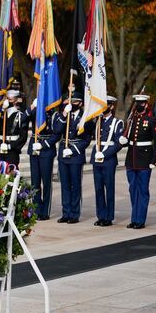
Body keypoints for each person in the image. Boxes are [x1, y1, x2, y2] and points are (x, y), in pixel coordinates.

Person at [119, 94, 156, 229]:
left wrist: (154, 160)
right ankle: (134, 218)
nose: (139, 105)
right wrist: (123, 141)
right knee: (133, 190)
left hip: (144, 160)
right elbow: (130, 138)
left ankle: (140, 220)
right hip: (131, 159)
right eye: (137, 103)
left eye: (141, 103)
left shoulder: (151, 121)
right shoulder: (132, 120)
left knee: (142, 191)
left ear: (146, 104)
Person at [55, 92, 90, 224]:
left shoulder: (85, 117)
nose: (71, 104)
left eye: (75, 102)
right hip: (63, 153)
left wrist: (74, 150)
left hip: (76, 155)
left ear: (80, 103)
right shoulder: (65, 114)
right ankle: (66, 213)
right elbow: (58, 130)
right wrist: (64, 114)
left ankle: (74, 214)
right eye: (70, 101)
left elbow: (86, 139)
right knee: (64, 185)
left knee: (75, 185)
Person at [89, 96, 123, 226]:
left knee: (109, 188)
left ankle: (108, 217)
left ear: (112, 106)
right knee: (98, 189)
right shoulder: (97, 120)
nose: (103, 107)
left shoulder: (117, 123)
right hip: (96, 158)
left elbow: (118, 143)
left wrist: (104, 154)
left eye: (106, 105)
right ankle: (101, 216)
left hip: (108, 159)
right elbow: (86, 129)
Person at [26, 103, 60, 221]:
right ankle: (36, 209)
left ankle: (45, 211)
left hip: (46, 150)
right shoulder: (35, 112)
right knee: (35, 182)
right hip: (34, 148)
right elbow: (23, 119)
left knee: (46, 182)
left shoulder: (54, 115)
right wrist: (31, 107)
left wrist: (43, 145)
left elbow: (56, 135)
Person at [0, 90, 27, 168]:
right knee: (0, 173)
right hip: (1, 145)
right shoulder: (1, 114)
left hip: (12, 148)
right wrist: (2, 111)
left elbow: (23, 137)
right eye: (7, 99)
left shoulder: (20, 115)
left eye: (10, 99)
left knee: (11, 173)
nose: (8, 101)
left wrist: (10, 146)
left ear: (16, 100)